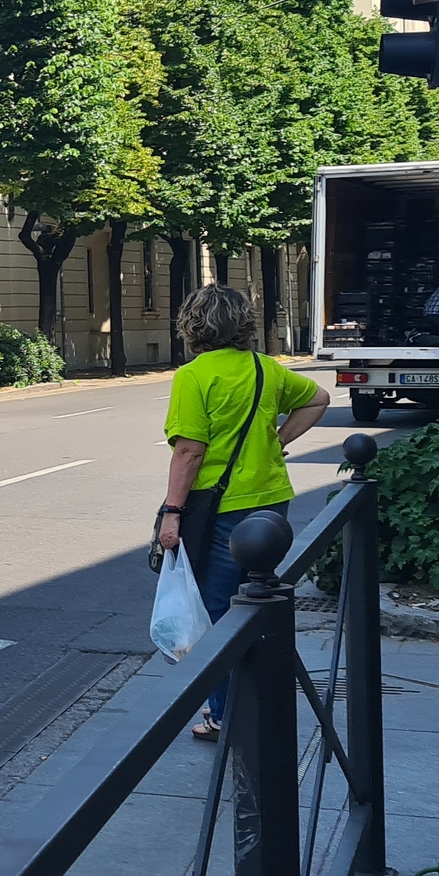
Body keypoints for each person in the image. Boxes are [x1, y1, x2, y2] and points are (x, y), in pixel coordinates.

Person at [155, 284, 330, 740]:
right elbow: (317, 399)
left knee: (217, 610)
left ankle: (226, 715)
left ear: (192, 325)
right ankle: (259, 700)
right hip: (271, 498)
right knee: (257, 602)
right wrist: (278, 440)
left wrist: (172, 512)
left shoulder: (193, 375)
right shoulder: (265, 367)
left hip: (219, 507)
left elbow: (190, 452)